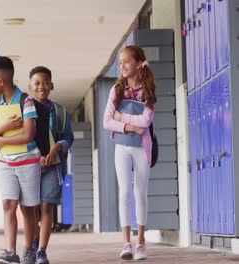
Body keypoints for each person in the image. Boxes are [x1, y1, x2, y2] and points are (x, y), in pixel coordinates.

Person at [0, 56, 41, 264]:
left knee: (28, 208)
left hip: (28, 162)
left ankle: (28, 250)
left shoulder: (26, 101)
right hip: (5, 163)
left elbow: (28, 135)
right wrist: (3, 129)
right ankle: (10, 252)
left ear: (0, 82)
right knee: (8, 203)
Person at [103, 45, 156, 261]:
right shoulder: (116, 89)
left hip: (142, 148)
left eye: (126, 61)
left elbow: (146, 121)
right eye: (120, 61)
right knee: (124, 191)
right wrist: (130, 127)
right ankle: (126, 243)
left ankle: (141, 242)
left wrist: (120, 118)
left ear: (138, 63)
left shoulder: (148, 89)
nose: (122, 65)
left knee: (140, 192)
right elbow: (107, 121)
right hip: (122, 148)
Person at [27, 66, 74, 264]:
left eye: (45, 82)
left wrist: (55, 149)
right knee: (33, 209)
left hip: (53, 167)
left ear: (51, 85)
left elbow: (68, 137)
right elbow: (22, 138)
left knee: (47, 208)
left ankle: (41, 252)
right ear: (30, 86)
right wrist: (36, 156)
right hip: (31, 167)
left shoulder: (60, 111)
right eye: (37, 83)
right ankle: (34, 243)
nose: (41, 87)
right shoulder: (25, 110)